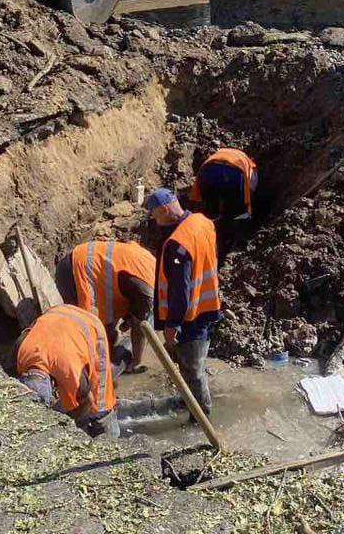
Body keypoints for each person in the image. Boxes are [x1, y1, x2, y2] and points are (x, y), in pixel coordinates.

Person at [146, 187, 221, 415]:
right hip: (207, 305)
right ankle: (191, 401)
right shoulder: (201, 222)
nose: (155, 220)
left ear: (166, 209)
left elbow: (180, 291)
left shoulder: (177, 244)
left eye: (155, 215)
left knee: (192, 368)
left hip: (190, 315)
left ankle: (201, 416)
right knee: (195, 363)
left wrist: (172, 325)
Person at [17, 304, 120, 437]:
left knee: (99, 397)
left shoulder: (71, 372)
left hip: (90, 326)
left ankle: (110, 434)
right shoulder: (21, 353)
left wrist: (68, 422)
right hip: (57, 314)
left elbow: (87, 401)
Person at [56, 239, 156, 370]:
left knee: (106, 334)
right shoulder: (146, 291)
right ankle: (78, 371)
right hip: (75, 271)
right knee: (88, 330)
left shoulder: (152, 263)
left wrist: (129, 317)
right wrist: (136, 362)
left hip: (90, 263)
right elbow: (140, 327)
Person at [189, 148, 258, 222]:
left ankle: (209, 214)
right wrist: (248, 207)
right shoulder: (251, 164)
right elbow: (250, 189)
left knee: (213, 198)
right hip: (234, 171)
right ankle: (223, 218)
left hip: (209, 167)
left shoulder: (220, 152)